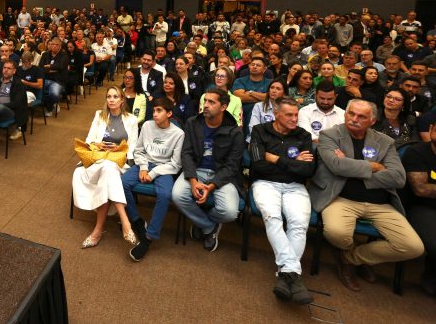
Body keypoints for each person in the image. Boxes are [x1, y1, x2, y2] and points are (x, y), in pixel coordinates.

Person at [309, 99, 424, 292]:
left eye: (361, 116)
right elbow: (336, 166)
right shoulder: (330, 135)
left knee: (412, 247)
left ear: (372, 120)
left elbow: (398, 178)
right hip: (340, 197)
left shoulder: (385, 142)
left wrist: (351, 168)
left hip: (380, 204)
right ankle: (352, 258)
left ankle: (351, 258)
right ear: (345, 114)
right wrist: (375, 167)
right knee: (337, 234)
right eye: (351, 114)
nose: (354, 119)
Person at [249, 97, 315, 304]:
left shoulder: (303, 135)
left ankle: (286, 273)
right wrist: (292, 162)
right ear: (276, 114)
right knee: (272, 217)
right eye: (289, 115)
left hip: (295, 186)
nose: (294, 119)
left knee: (299, 224)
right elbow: (258, 165)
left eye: (296, 114)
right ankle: (293, 274)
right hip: (265, 183)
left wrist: (276, 158)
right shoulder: (260, 131)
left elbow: (307, 169)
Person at [172, 88, 244, 252]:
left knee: (230, 212)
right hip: (196, 171)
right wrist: (193, 181)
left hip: (222, 176)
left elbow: (232, 166)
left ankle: (201, 221)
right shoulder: (193, 123)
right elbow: (187, 153)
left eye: (212, 102)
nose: (206, 105)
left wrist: (211, 186)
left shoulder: (235, 132)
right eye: (205, 101)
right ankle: (208, 227)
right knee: (177, 195)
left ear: (223, 107)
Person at [72, 86, 139, 249]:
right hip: (99, 160)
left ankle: (98, 230)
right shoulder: (99, 116)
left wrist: (118, 150)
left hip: (119, 161)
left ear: (122, 100)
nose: (111, 100)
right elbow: (88, 140)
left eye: (115, 97)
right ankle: (126, 223)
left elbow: (133, 147)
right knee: (108, 170)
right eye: (109, 96)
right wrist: (97, 144)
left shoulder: (131, 119)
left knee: (110, 170)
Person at [122, 98, 185, 261]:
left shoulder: (178, 134)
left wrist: (154, 172)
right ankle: (136, 220)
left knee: (165, 195)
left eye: (159, 111)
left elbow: (176, 164)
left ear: (169, 114)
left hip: (164, 169)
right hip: (145, 164)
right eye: (154, 110)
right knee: (122, 183)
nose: (154, 114)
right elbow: (139, 150)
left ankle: (148, 237)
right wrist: (143, 167)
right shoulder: (148, 126)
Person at [402, 124, 436, 296]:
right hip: (419, 207)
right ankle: (430, 278)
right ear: (431, 130)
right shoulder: (417, 152)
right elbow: (421, 189)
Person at [233, 56, 272, 130]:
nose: (254, 67)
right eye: (252, 64)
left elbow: (272, 97)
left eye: (258, 65)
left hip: (265, 113)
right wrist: (263, 97)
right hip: (243, 113)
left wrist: (251, 93)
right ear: (249, 66)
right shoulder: (239, 81)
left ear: (264, 69)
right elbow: (240, 97)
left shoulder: (270, 82)